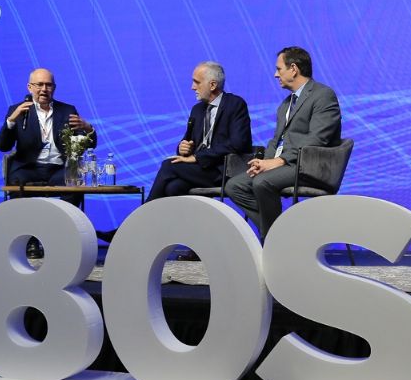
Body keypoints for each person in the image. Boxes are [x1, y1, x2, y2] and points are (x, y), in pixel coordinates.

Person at [97, 61, 252, 249]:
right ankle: (190, 244)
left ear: (212, 85)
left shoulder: (235, 104)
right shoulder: (197, 109)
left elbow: (239, 143)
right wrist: (183, 148)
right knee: (173, 188)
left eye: (196, 82)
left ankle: (129, 229)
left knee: (168, 166)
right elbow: (187, 141)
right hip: (200, 170)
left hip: (222, 170)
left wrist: (198, 158)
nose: (192, 87)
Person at [225, 46, 341, 240]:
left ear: (293, 69)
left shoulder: (323, 95)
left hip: (310, 166)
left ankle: (272, 238)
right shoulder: (286, 104)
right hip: (285, 164)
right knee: (234, 186)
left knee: (263, 182)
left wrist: (278, 162)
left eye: (279, 69)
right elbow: (276, 140)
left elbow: (318, 138)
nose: (275, 74)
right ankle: (279, 234)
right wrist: (263, 162)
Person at [0, 68, 96, 257]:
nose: (44, 89)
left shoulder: (67, 110)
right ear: (30, 87)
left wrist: (88, 128)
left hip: (58, 168)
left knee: (73, 183)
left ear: (54, 88)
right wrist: (10, 121)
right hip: (28, 168)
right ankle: (29, 240)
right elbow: (2, 146)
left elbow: (87, 145)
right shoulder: (18, 111)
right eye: (39, 85)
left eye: (48, 85)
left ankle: (62, 238)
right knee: (17, 184)